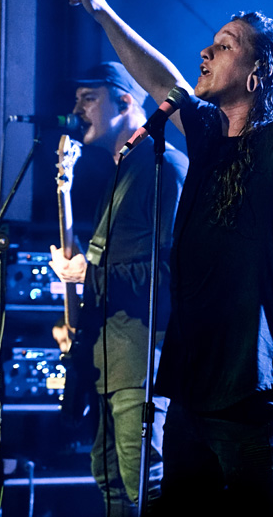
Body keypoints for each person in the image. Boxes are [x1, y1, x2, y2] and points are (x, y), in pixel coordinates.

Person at [68, 0, 273, 516]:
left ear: (258, 73)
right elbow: (162, 79)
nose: (206, 53)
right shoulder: (210, 141)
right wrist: (104, 14)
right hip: (191, 396)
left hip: (260, 401)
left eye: (225, 45)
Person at [48, 62, 188, 516]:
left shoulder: (163, 166)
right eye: (77, 100)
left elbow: (174, 274)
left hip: (141, 363)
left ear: (126, 101)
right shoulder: (123, 170)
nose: (77, 109)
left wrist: (86, 275)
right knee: (111, 486)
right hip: (107, 362)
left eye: (88, 98)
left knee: (147, 486)